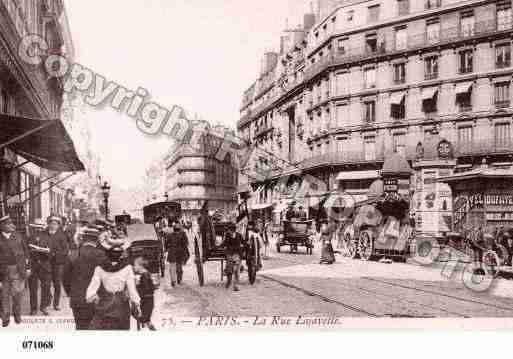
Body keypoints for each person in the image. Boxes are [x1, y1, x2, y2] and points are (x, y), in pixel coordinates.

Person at [86, 237, 140, 330]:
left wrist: (95, 299)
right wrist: (137, 303)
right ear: (121, 255)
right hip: (121, 306)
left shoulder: (99, 268)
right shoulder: (127, 268)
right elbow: (132, 291)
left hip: (105, 305)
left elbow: (90, 293)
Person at [63, 228, 107, 330]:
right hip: (96, 299)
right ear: (97, 240)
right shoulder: (102, 256)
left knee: (80, 328)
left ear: (83, 239)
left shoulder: (73, 255)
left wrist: (71, 292)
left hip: (78, 299)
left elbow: (65, 279)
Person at [0, 214, 29, 327]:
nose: (12, 226)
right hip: (3, 272)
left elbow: (26, 253)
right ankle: (5, 318)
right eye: (9, 224)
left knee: (17, 295)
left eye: (12, 223)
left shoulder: (18, 236)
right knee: (4, 295)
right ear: (2, 226)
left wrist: (27, 268)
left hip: (18, 270)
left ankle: (17, 315)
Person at [41, 216, 69, 311]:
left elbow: (65, 251)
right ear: (48, 224)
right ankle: (47, 301)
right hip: (46, 263)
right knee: (46, 284)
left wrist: (54, 253)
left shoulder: (62, 236)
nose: (53, 226)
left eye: (55, 224)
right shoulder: (44, 234)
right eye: (51, 223)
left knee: (57, 284)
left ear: (58, 225)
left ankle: (56, 304)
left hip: (58, 263)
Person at [27, 219, 52, 316]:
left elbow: (50, 251)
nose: (38, 229)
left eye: (40, 227)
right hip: (33, 265)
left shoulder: (48, 237)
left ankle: (44, 307)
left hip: (45, 265)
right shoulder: (29, 238)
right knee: (33, 288)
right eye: (36, 227)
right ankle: (33, 308)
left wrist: (42, 250)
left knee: (46, 287)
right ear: (33, 227)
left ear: (43, 228)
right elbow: (26, 252)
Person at [133, 257, 156, 330]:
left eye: (135, 265)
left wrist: (137, 287)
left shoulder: (145, 275)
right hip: (148, 299)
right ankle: (148, 324)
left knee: (138, 314)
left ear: (140, 266)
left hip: (146, 300)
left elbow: (147, 288)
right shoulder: (145, 274)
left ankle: (148, 325)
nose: (134, 267)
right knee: (145, 317)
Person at [164, 222, 189, 287]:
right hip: (179, 254)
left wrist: (167, 248)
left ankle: (174, 281)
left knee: (173, 268)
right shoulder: (182, 234)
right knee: (179, 268)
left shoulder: (170, 235)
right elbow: (186, 243)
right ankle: (179, 280)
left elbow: (166, 244)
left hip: (172, 253)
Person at [223, 225, 243, 291]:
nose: (228, 231)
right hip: (230, 255)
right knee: (229, 269)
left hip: (237, 255)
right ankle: (229, 281)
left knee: (237, 271)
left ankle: (236, 286)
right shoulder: (227, 236)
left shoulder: (239, 235)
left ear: (232, 230)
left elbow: (243, 242)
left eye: (229, 230)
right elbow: (224, 243)